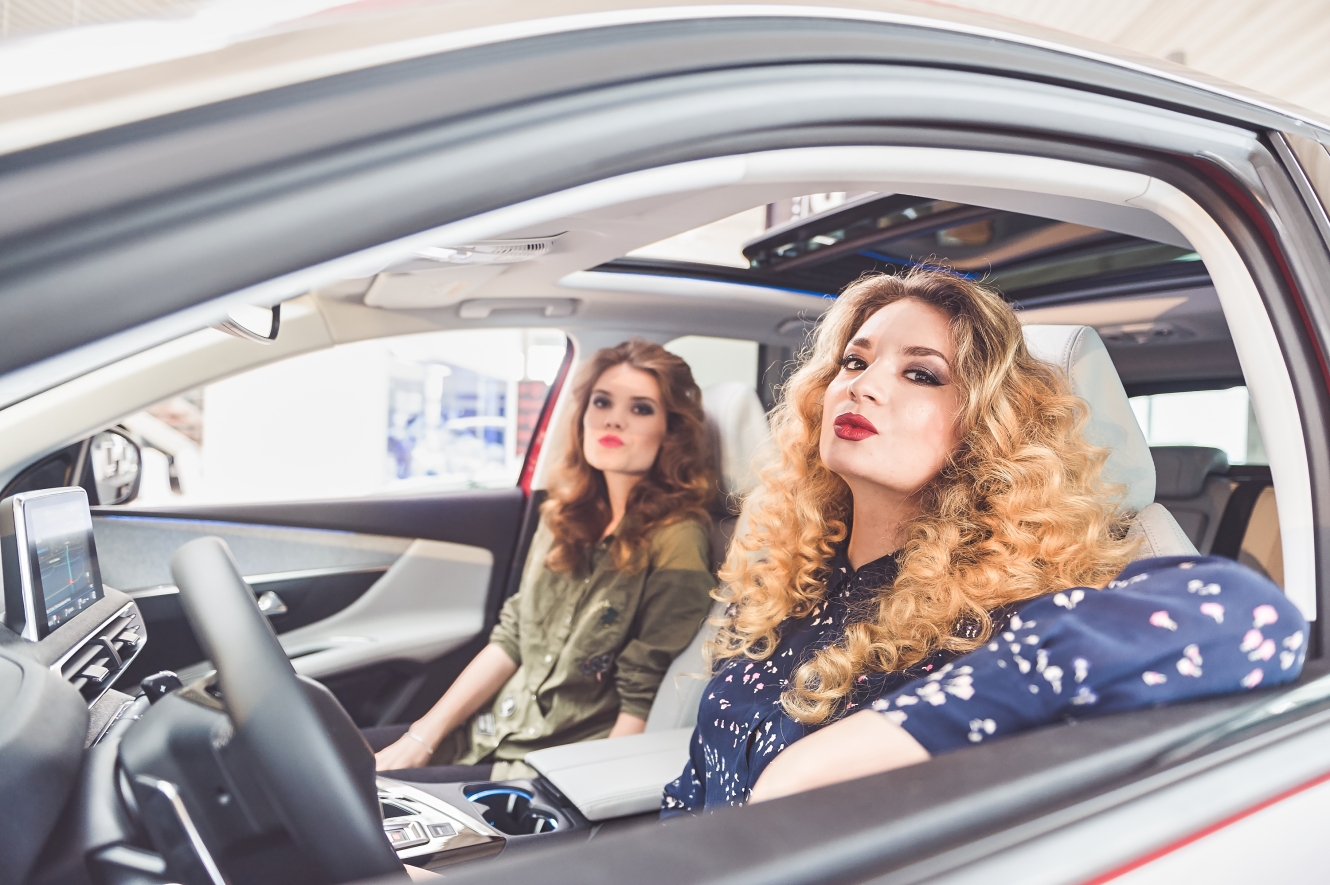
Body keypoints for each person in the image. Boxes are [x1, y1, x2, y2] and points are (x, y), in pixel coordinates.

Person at [662, 270, 1306, 814]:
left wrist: (856, 749)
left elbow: (1250, 617)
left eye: (921, 374)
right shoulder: (785, 582)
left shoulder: (1006, 612)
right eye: (855, 361)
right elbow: (695, 790)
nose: (862, 384)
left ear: (985, 427)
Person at [373, 339, 717, 779]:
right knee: (330, 751)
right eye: (602, 402)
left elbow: (643, 690)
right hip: (488, 731)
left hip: (552, 763)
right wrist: (421, 737)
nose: (613, 419)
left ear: (670, 432)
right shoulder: (563, 514)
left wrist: (595, 794)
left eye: (641, 408)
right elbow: (514, 637)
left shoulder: (678, 538)